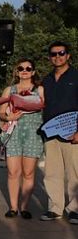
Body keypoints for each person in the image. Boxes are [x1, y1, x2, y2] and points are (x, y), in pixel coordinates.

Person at [0, 58, 44, 220]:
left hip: (33, 132)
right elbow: (1, 112)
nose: (24, 70)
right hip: (15, 132)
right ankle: (13, 207)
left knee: (29, 172)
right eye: (21, 68)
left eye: (28, 68)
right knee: (13, 172)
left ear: (33, 71)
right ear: (17, 71)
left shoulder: (40, 90)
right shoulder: (9, 90)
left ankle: (25, 207)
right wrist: (8, 116)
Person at [40, 42, 78, 223]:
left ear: (68, 55)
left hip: (72, 133)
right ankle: (55, 207)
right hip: (51, 131)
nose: (57, 57)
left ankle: (75, 209)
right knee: (52, 172)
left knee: (75, 172)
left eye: (61, 53)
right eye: (53, 54)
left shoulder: (76, 76)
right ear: (50, 57)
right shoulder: (46, 80)